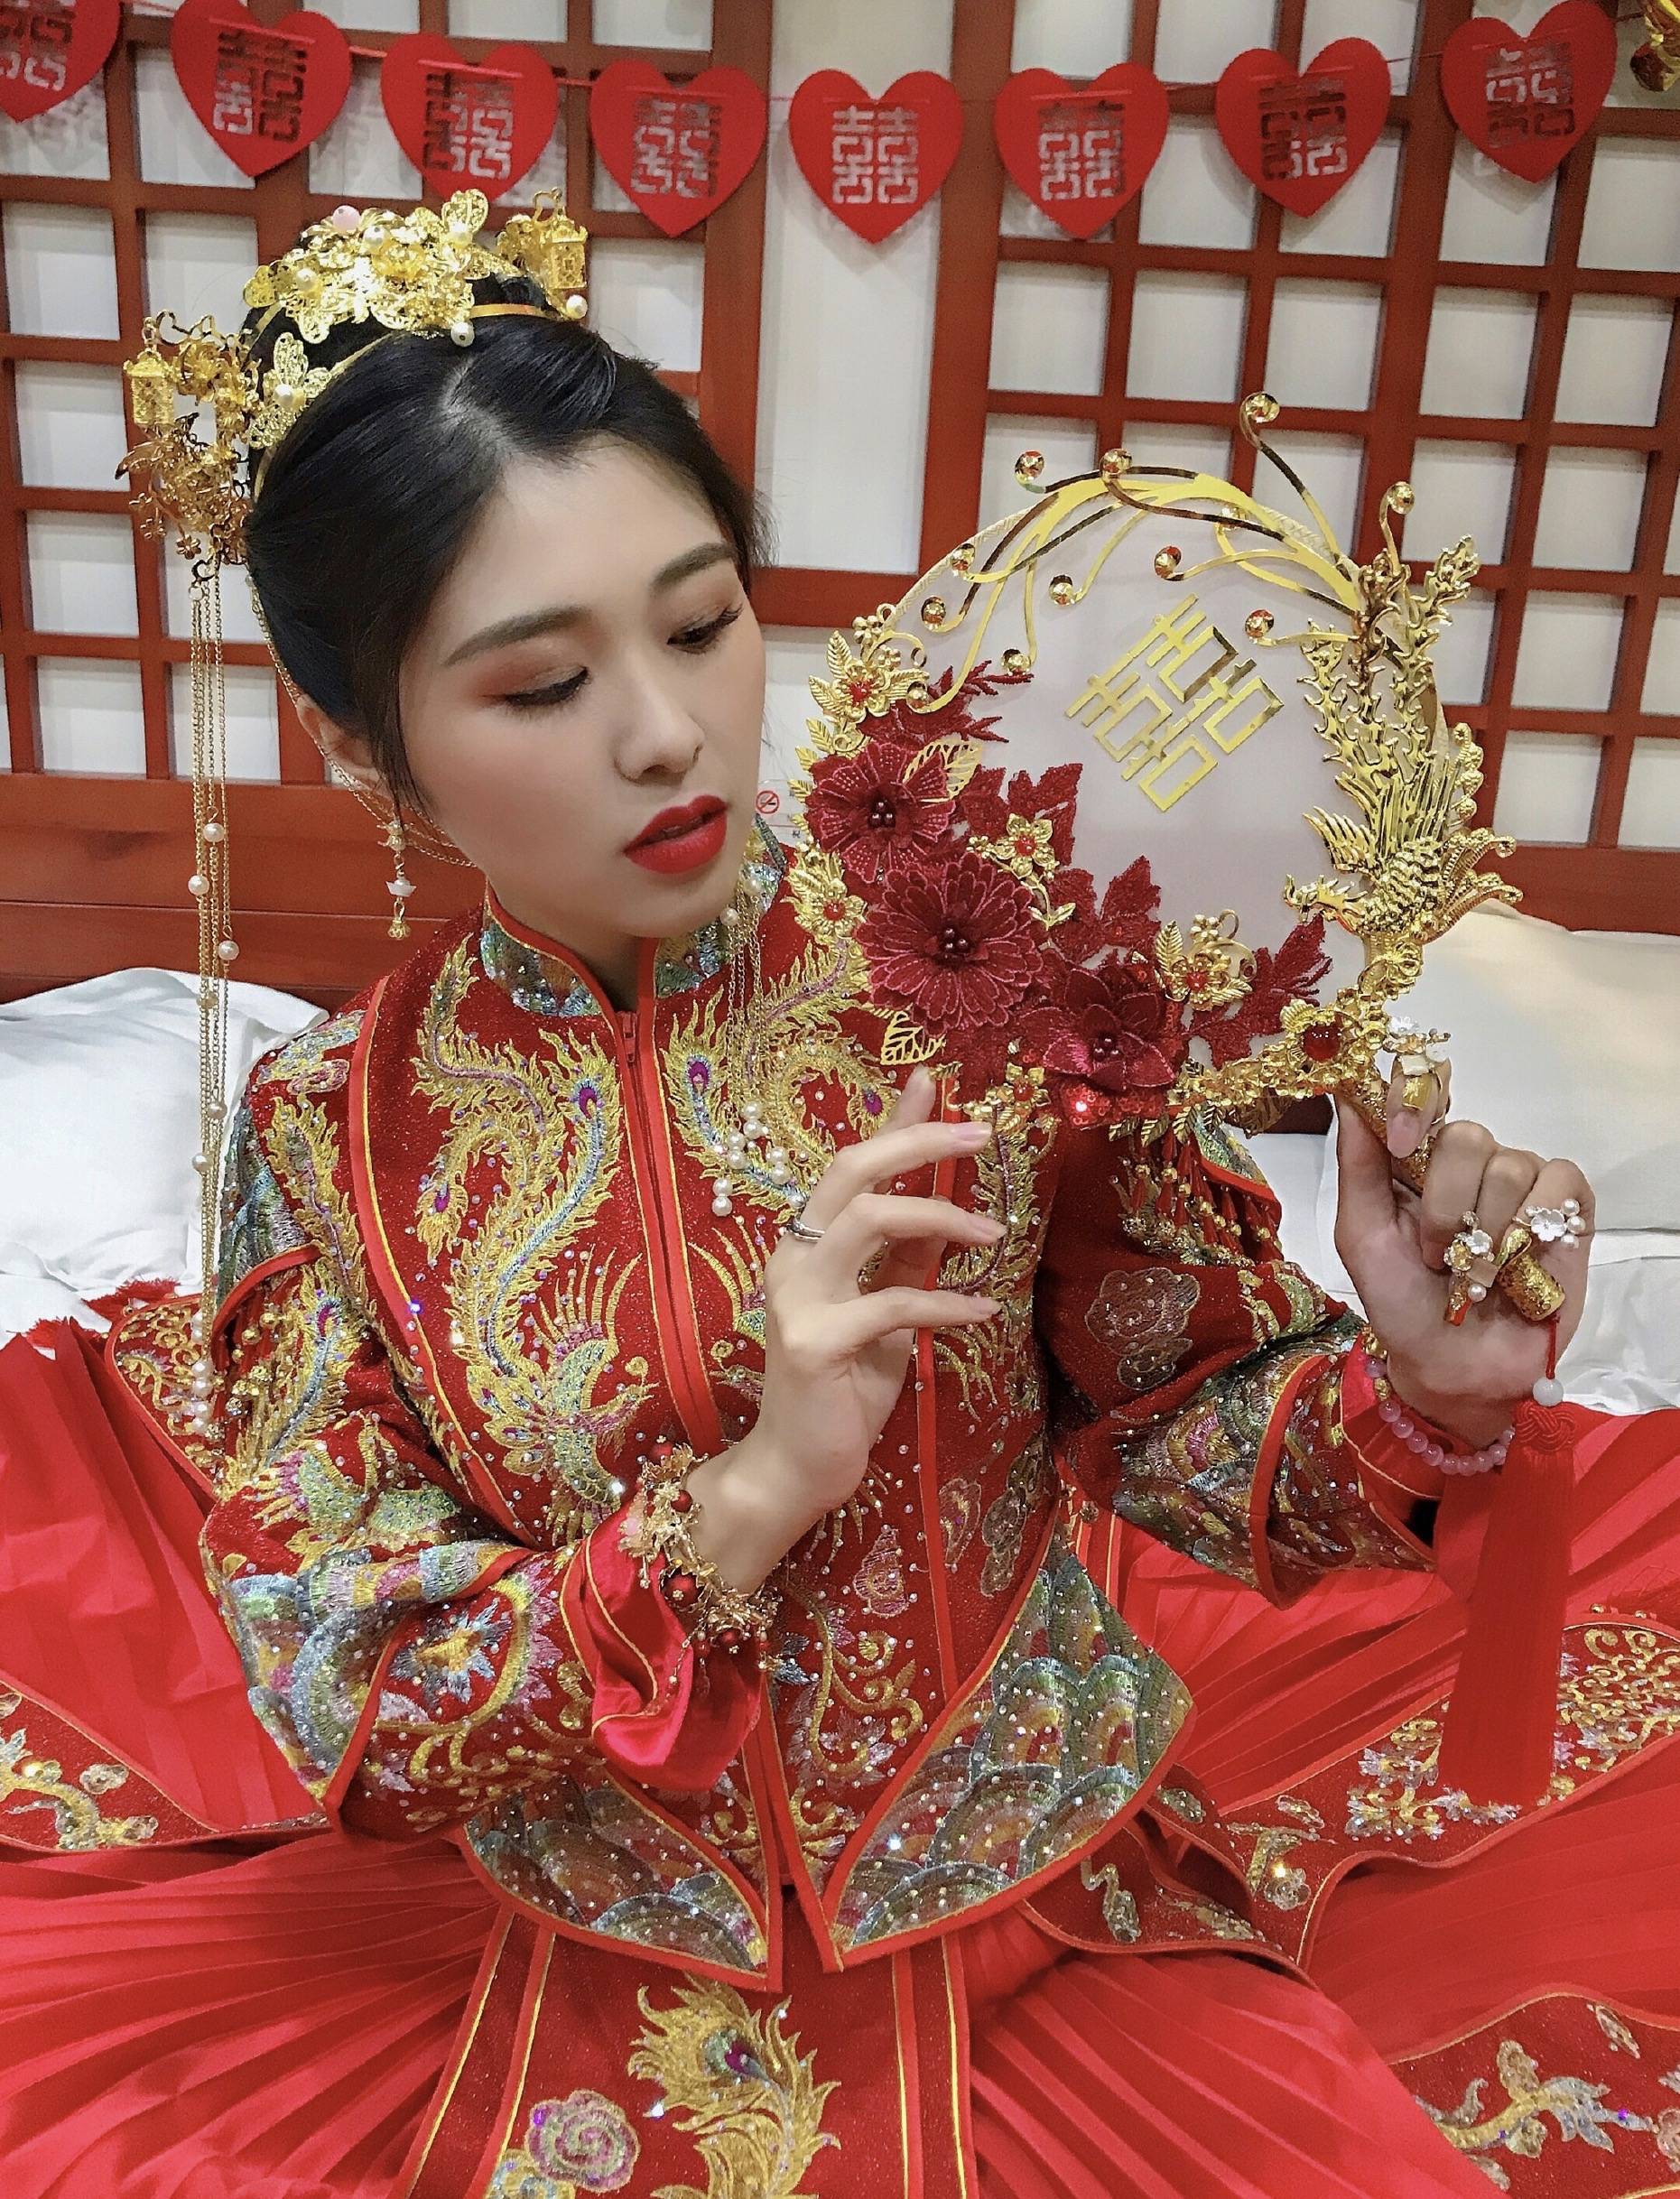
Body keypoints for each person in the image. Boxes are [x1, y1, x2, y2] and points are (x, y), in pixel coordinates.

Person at [2, 195, 1678, 2199]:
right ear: (366, 751)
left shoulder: (977, 950)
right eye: (537, 688)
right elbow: (350, 1685)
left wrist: (1411, 1391)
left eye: (702, 622)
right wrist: (751, 1493)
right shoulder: (326, 1129)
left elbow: (1175, 1415)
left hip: (1032, 1903)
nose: (666, 733)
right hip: (585, 1950)